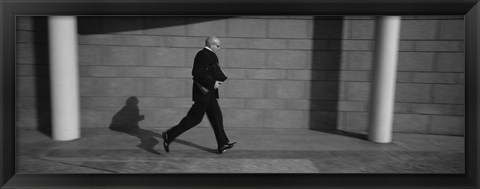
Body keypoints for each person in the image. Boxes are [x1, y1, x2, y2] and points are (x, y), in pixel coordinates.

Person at [162, 36, 236, 154]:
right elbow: (197, 73)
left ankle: (222, 144)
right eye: (217, 45)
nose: (219, 48)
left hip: (209, 93)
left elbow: (209, 71)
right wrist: (213, 83)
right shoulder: (203, 54)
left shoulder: (207, 55)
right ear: (211, 44)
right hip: (203, 93)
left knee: (216, 117)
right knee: (194, 119)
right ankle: (169, 135)